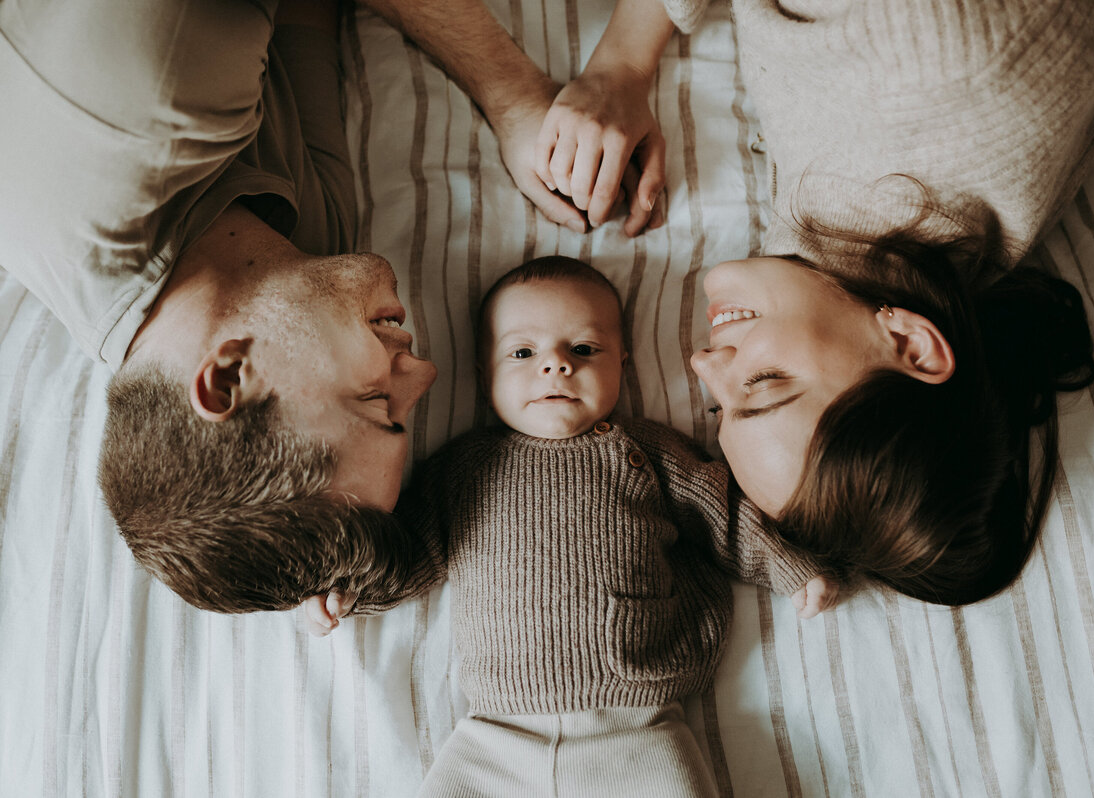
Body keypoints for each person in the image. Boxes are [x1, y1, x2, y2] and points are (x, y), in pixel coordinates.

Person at [0, 0, 666, 612]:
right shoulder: (299, 264)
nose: (426, 373)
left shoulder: (144, 96)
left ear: (229, 374)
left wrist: (513, 95)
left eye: (377, 401)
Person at [534, 0, 1094, 603]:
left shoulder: (925, 252)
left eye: (722, 409)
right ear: (910, 343)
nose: (703, 363)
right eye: (767, 383)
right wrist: (619, 64)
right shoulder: (920, 61)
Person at [304, 257, 835, 796]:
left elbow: (725, 514)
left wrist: (789, 565)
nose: (556, 365)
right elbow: (414, 548)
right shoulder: (463, 467)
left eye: (583, 349)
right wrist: (350, 589)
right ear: (486, 372)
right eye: (523, 352)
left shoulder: (649, 452)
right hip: (495, 732)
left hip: (639, 723)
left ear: (623, 362)